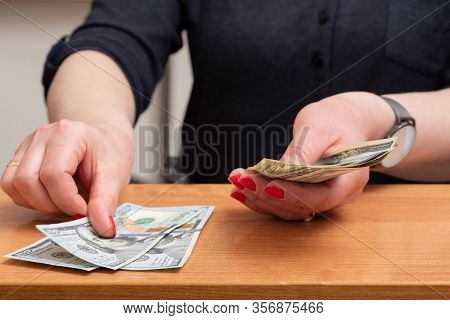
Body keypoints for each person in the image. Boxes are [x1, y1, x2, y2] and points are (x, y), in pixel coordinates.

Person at [1, 1, 449, 238]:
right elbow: (115, 35)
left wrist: (378, 118)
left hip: (414, 249)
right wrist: (97, 125)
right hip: (220, 244)